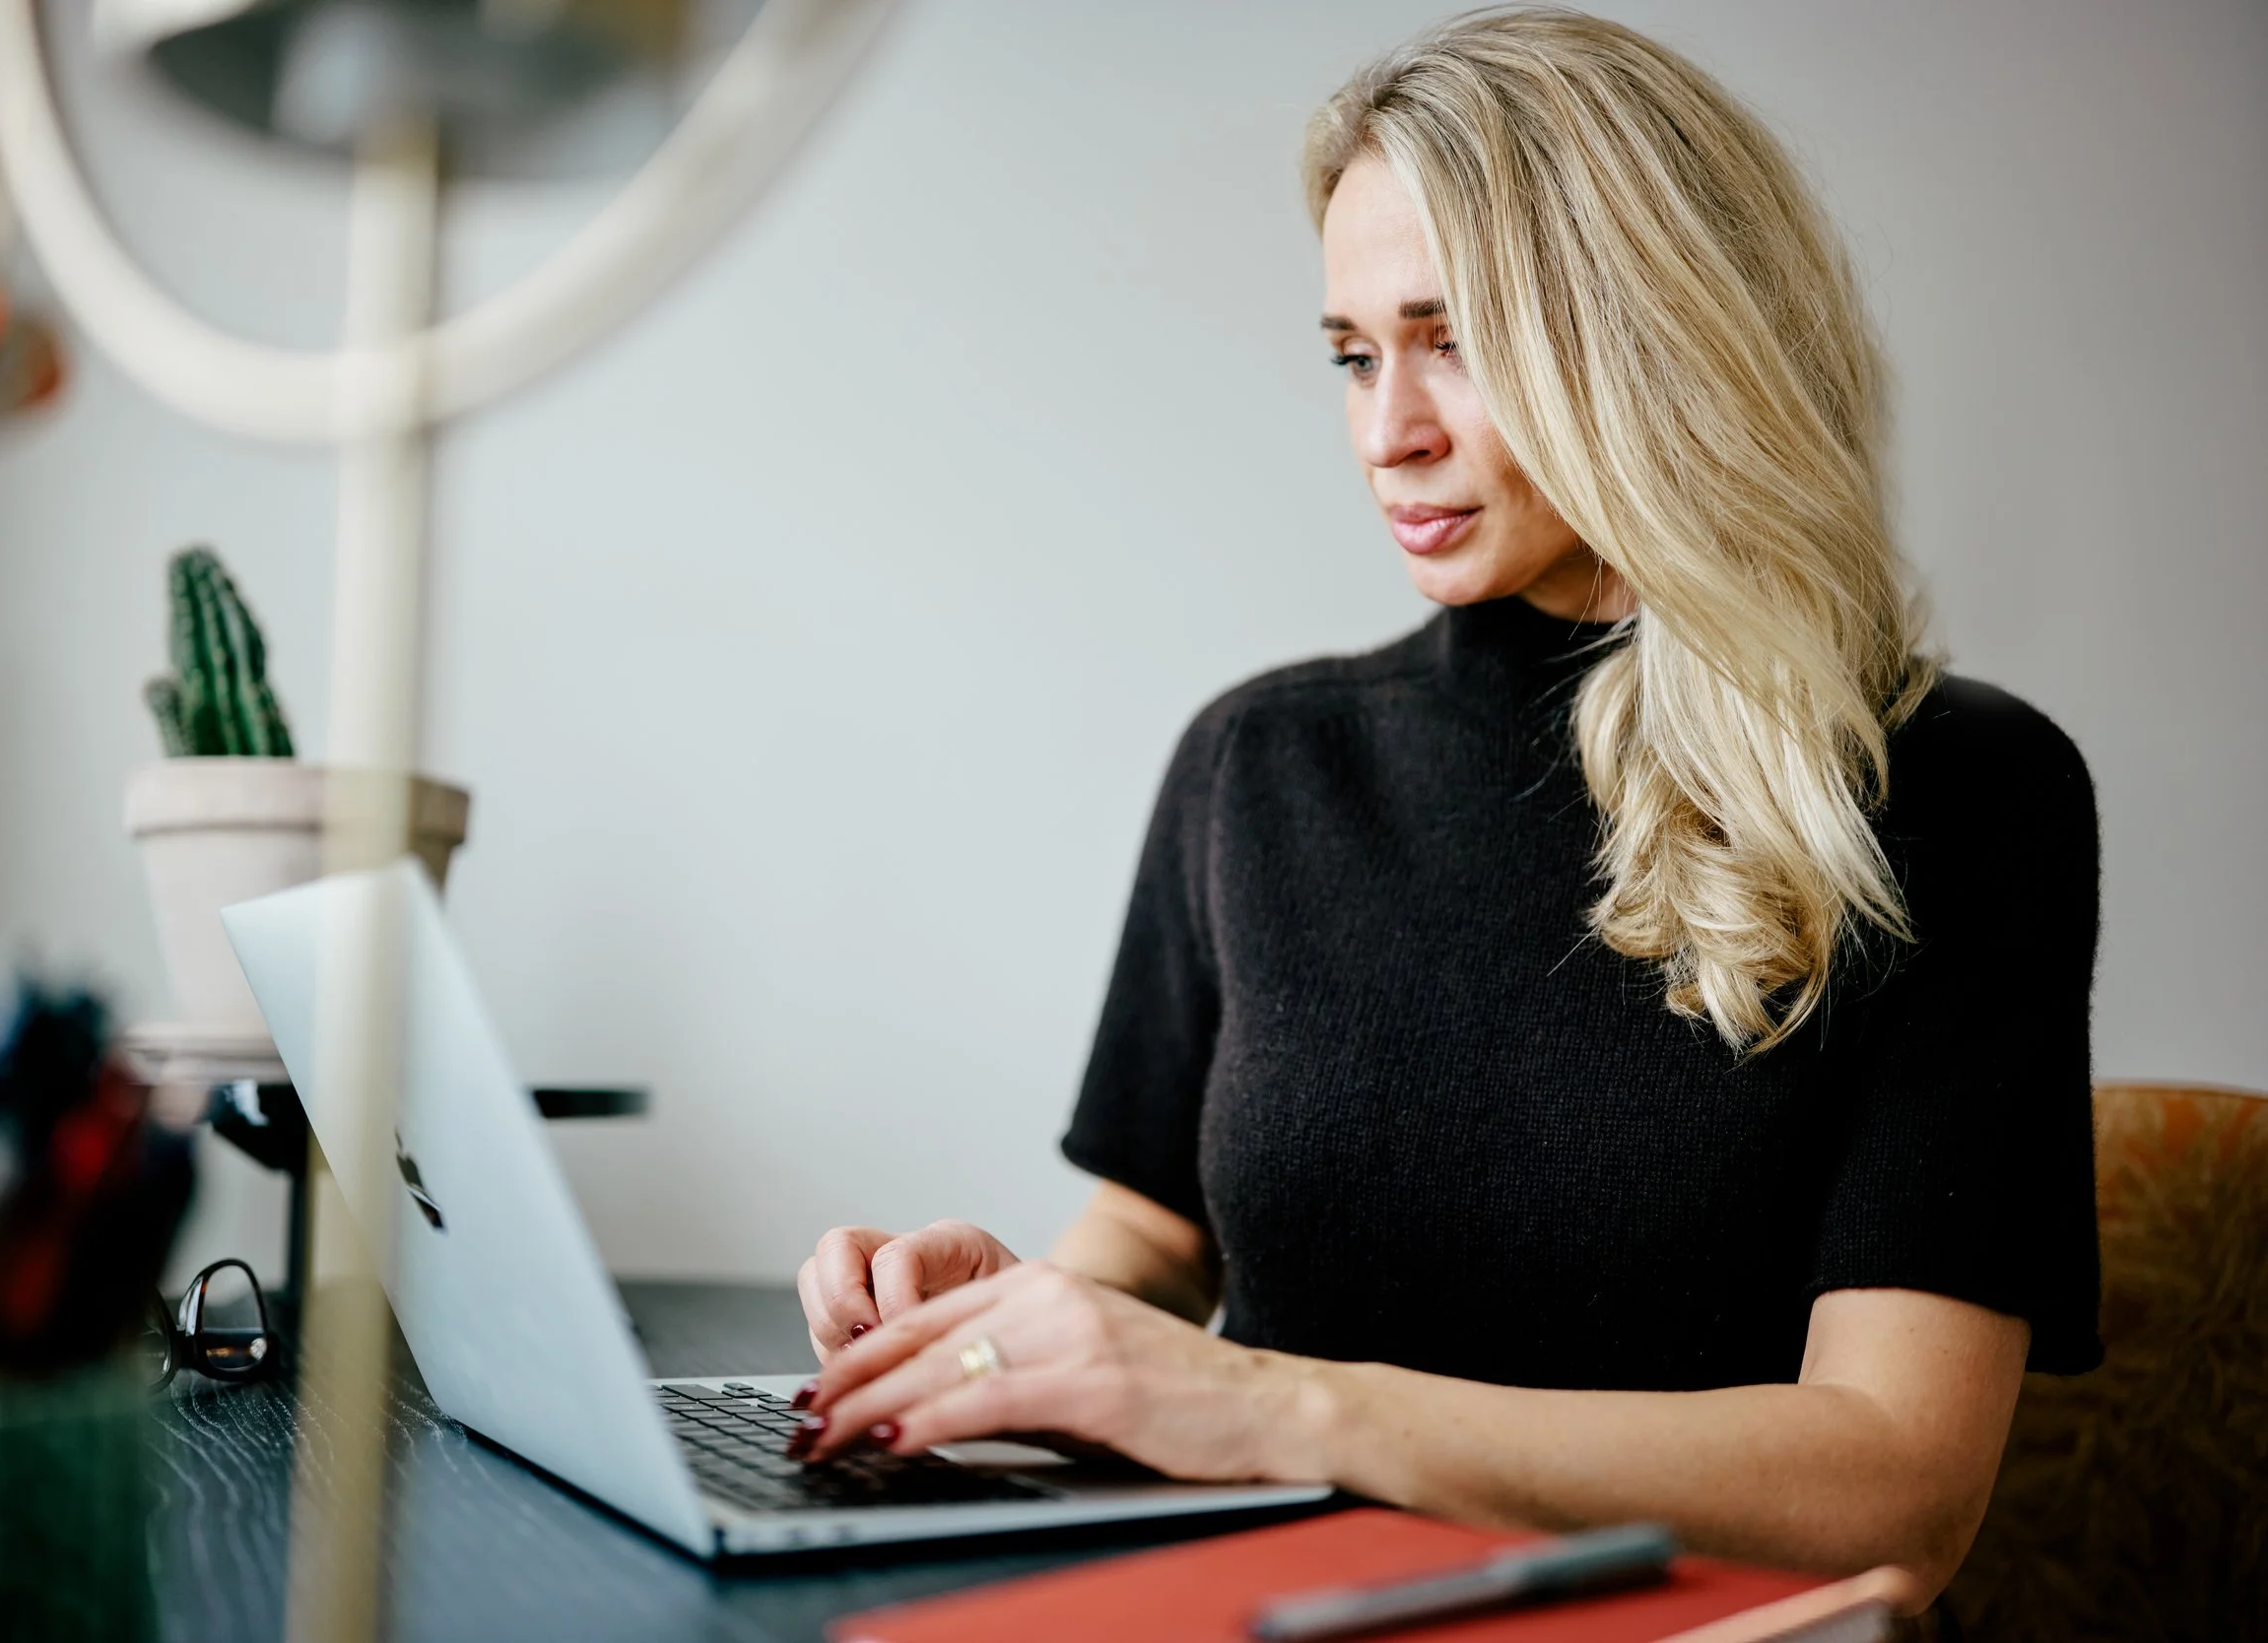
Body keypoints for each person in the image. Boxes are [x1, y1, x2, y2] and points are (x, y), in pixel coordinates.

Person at [791, 7, 2100, 1610]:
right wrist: (1010, 1325)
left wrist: (1277, 1407)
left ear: (1657, 332)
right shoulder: (1262, 763)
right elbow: (1155, 1231)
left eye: (1457, 338)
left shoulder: (1960, 793)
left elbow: (1896, 1483)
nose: (1384, 431)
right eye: (1352, 353)